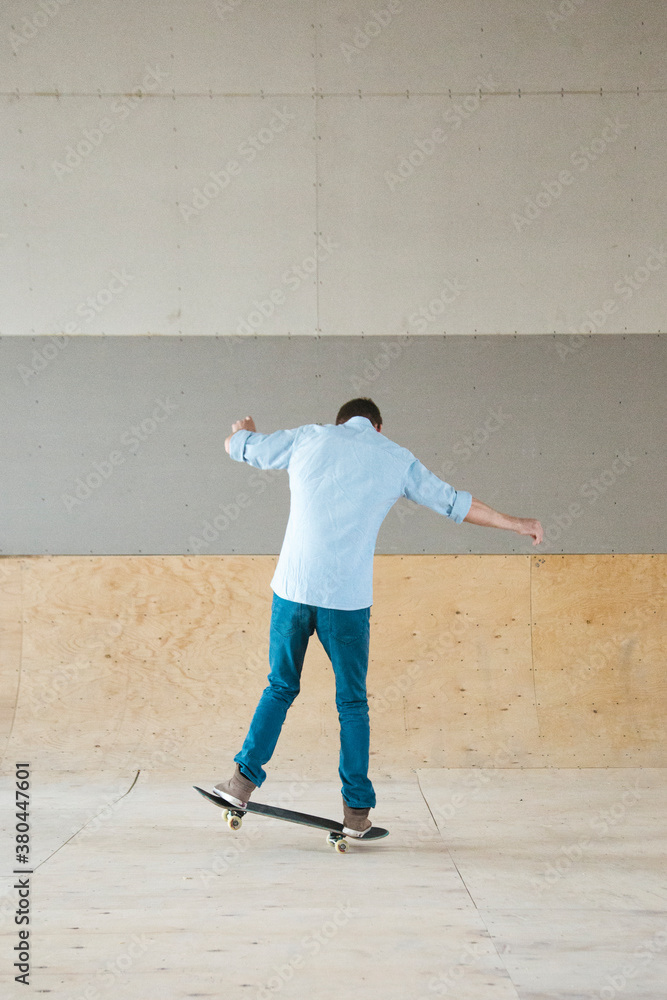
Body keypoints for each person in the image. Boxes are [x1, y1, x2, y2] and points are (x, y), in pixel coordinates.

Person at [212, 398, 543, 836]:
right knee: (352, 703)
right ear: (378, 428)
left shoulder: (309, 437)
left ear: (340, 422)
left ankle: (240, 784)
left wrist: (246, 431)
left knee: (280, 686)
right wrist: (516, 523)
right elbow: (456, 504)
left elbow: (235, 446)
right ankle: (356, 814)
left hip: (293, 590)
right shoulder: (395, 458)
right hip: (346, 602)